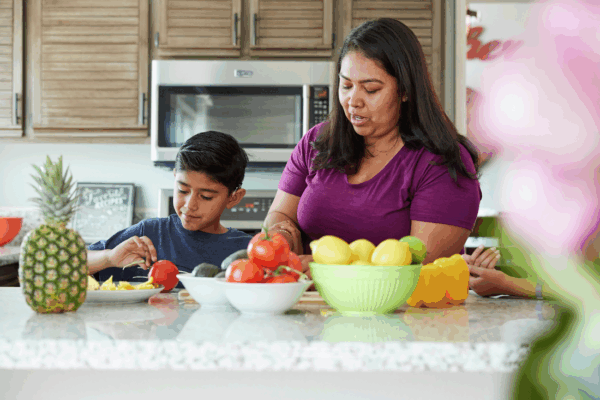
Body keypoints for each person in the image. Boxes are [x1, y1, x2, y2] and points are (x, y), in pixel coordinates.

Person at [263, 18, 482, 273]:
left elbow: (419, 266)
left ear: (405, 91)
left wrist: (322, 268)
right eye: (346, 86)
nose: (353, 101)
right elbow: (280, 216)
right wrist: (282, 237)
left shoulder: (442, 163)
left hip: (409, 311)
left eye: (371, 89)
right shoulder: (316, 143)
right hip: (309, 306)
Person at [86, 131, 253, 288]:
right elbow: (69, 265)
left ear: (234, 198)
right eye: (183, 190)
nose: (190, 205)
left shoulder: (246, 251)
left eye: (206, 196)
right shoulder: (149, 233)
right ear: (175, 178)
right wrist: (108, 258)